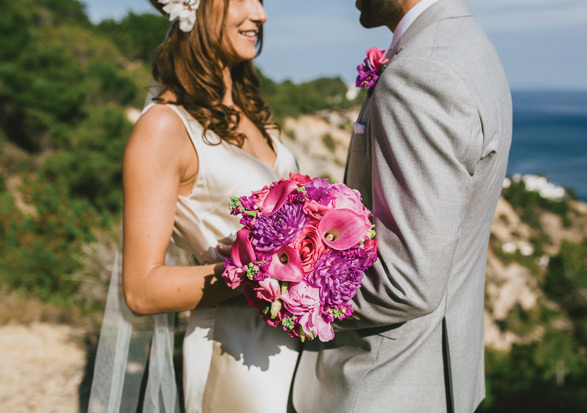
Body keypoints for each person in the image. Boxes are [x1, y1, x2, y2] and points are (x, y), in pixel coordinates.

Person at [293, 0, 512, 412]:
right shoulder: (471, 45)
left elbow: (406, 282)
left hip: (382, 385)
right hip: (436, 379)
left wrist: (286, 284)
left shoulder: (422, 72)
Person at [89, 0, 300, 412]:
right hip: (235, 359)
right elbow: (141, 289)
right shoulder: (164, 127)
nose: (261, 14)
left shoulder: (253, 114)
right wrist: (257, 276)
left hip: (295, 345)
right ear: (194, 9)